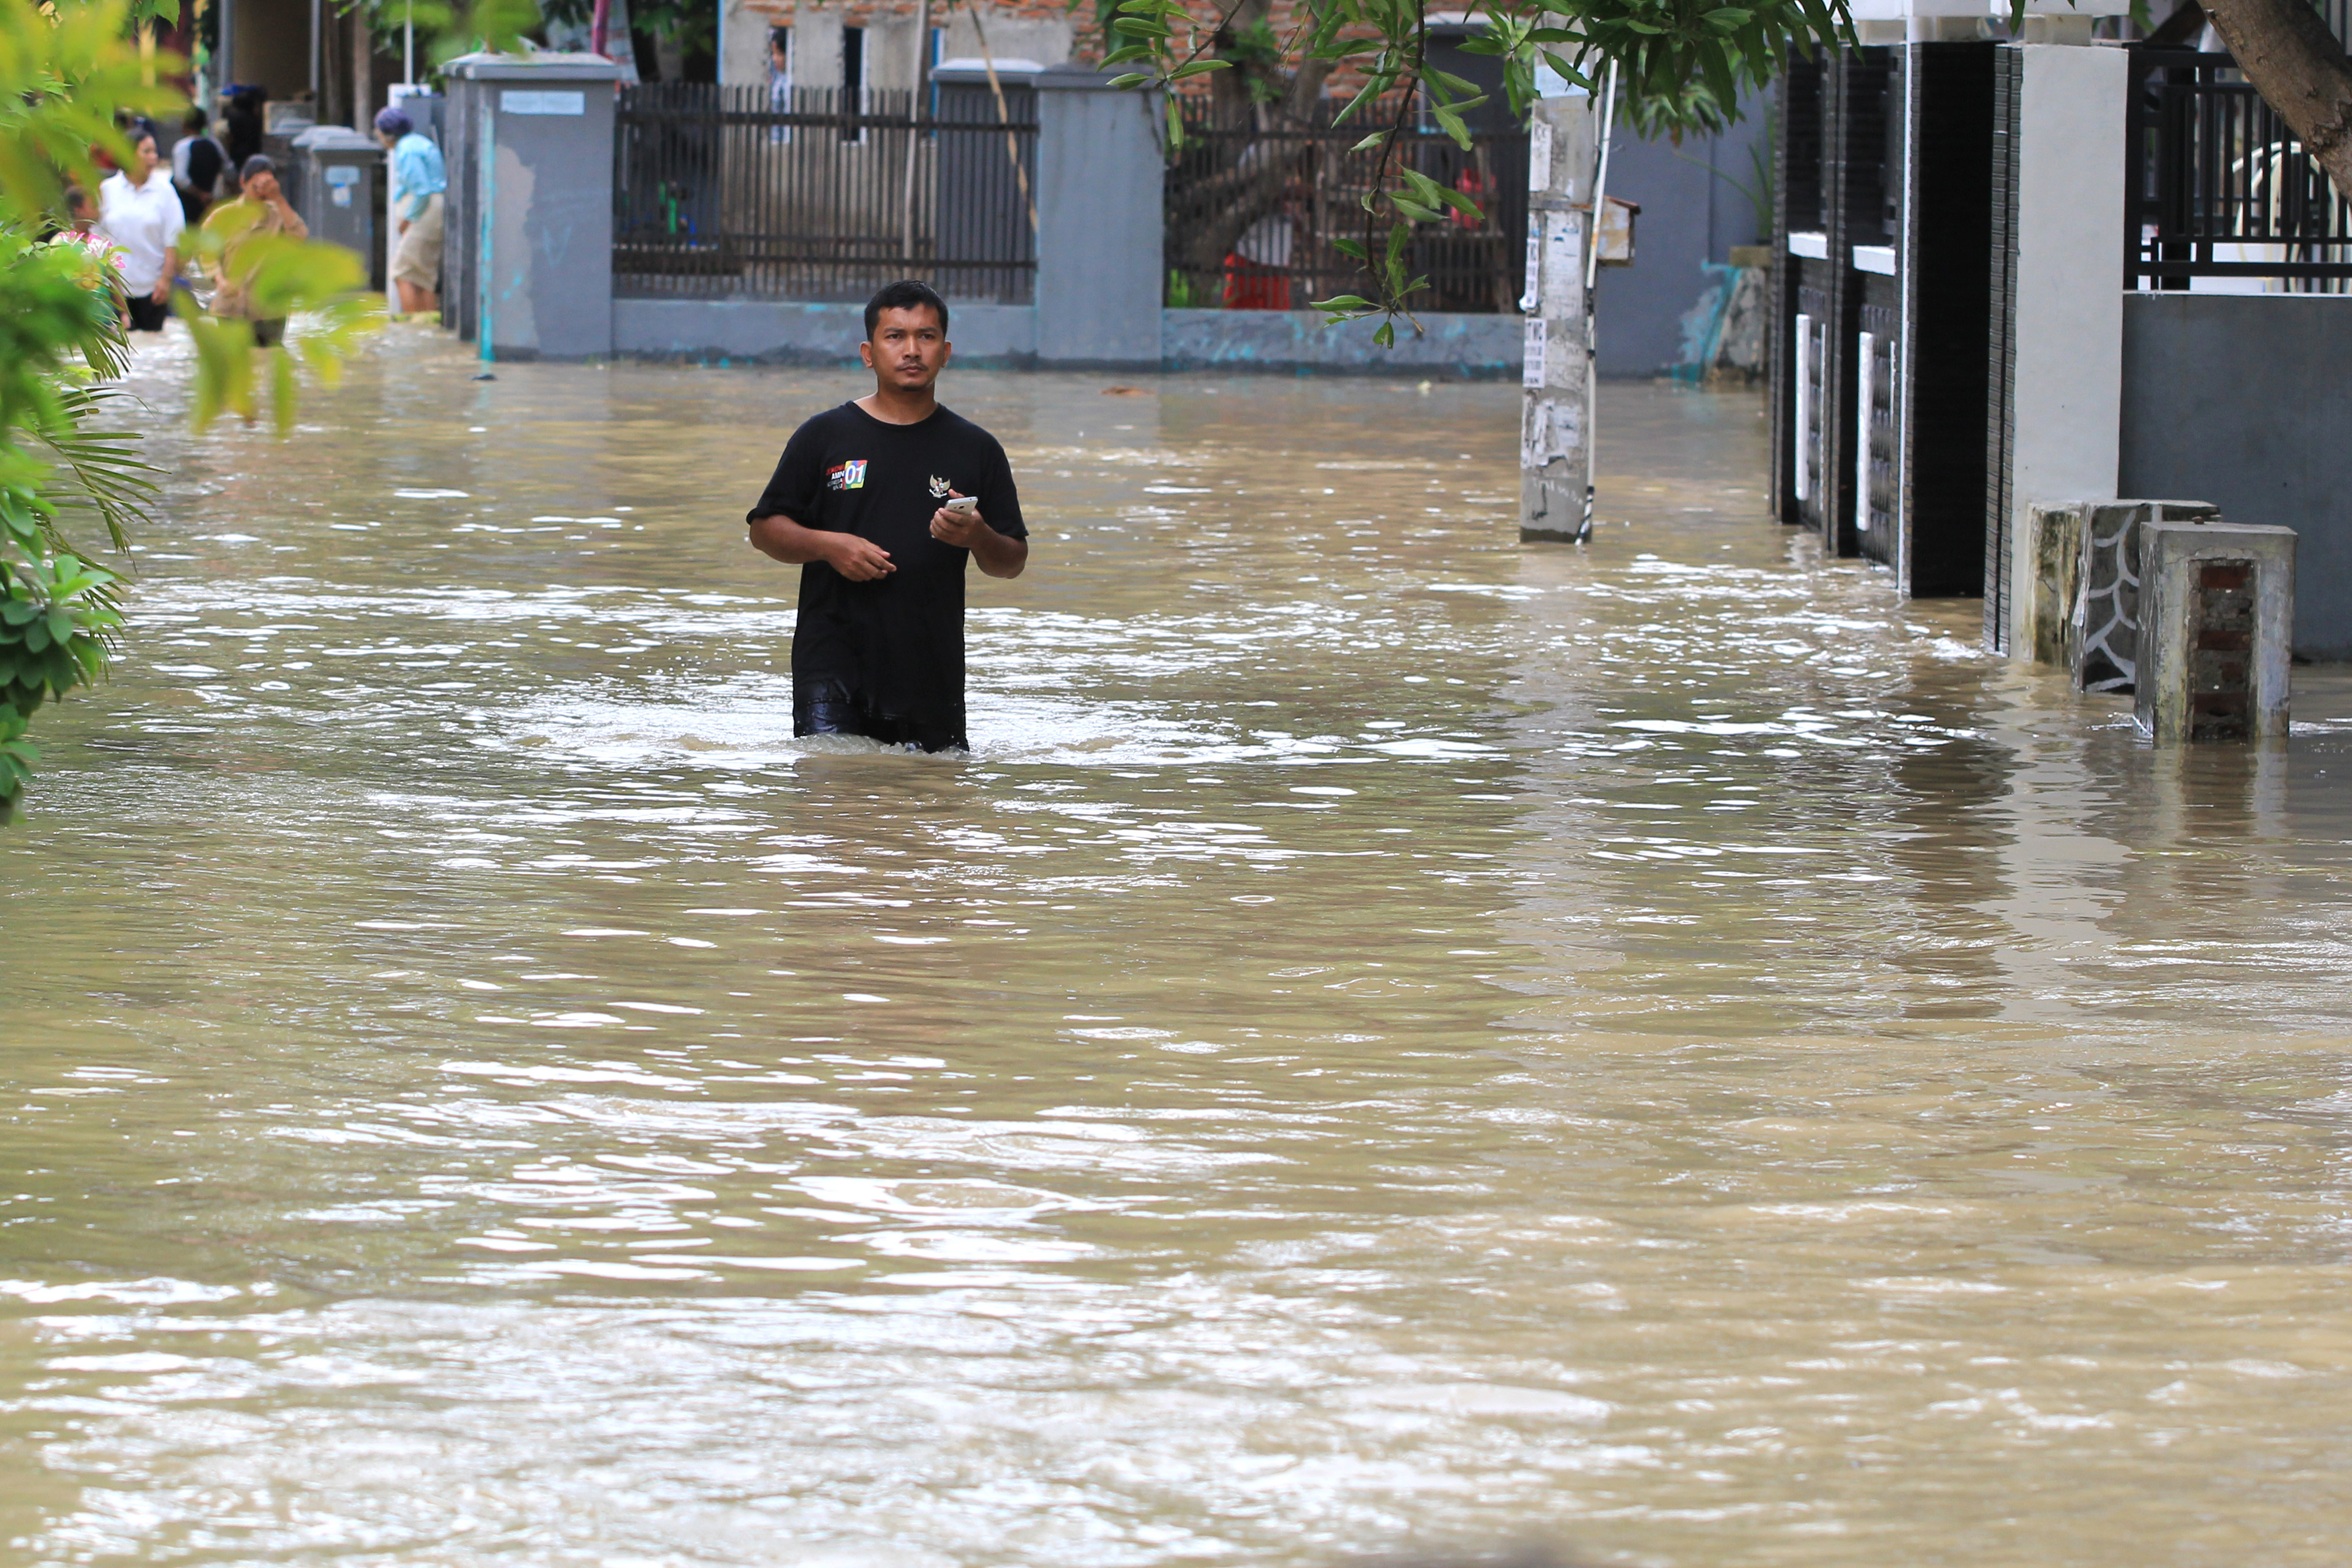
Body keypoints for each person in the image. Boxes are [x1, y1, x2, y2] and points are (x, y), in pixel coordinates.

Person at [745, 280, 1030, 753]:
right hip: (831, 666)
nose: (912, 350)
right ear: (868, 353)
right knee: (832, 801)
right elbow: (763, 531)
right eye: (895, 336)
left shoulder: (976, 448)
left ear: (946, 352)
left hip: (929, 672)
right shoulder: (823, 436)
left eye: (927, 336)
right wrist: (830, 546)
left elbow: (1012, 561)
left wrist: (978, 536)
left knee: (928, 811)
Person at [202, 155, 308, 347]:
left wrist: (278, 198)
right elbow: (207, 252)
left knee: (268, 361)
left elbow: (299, 235)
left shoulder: (279, 216)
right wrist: (220, 280)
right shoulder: (223, 216)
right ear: (243, 182)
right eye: (256, 184)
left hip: (270, 311)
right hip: (231, 307)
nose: (261, 191)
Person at [97, 131, 183, 333]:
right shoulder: (107, 190)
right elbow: (97, 239)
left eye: (154, 152)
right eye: (147, 151)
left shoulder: (166, 192)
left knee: (152, 348)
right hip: (114, 289)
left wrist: (165, 280)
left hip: (154, 290)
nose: (154, 157)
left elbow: (174, 239)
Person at [374, 108, 445, 317]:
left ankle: (414, 324)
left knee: (402, 272)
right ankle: (427, 323)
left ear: (389, 133)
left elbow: (421, 190)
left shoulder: (408, 150)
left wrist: (407, 220)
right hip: (432, 210)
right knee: (423, 275)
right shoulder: (416, 143)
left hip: (425, 212)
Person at [171, 106, 228, 226]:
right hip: (210, 204)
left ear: (185, 124)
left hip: (186, 204)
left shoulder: (182, 147)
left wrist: (200, 194)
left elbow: (181, 179)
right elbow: (229, 171)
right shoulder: (215, 145)